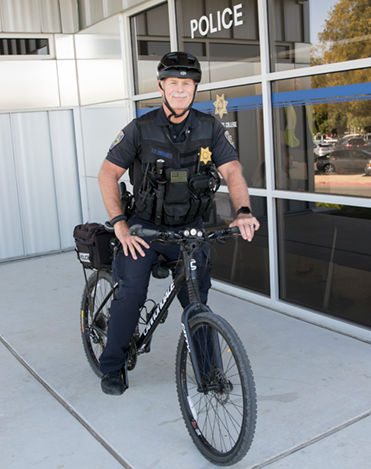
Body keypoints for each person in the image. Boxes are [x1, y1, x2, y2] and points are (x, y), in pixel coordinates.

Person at [97, 51, 260, 395]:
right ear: (161, 86)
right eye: (174, 83)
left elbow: (231, 170)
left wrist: (242, 210)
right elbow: (108, 173)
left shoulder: (209, 127)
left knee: (197, 303)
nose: (181, 89)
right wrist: (120, 225)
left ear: (195, 87)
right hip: (144, 230)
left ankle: (210, 374)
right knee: (131, 295)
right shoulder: (140, 128)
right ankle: (112, 366)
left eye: (187, 83)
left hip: (189, 229)